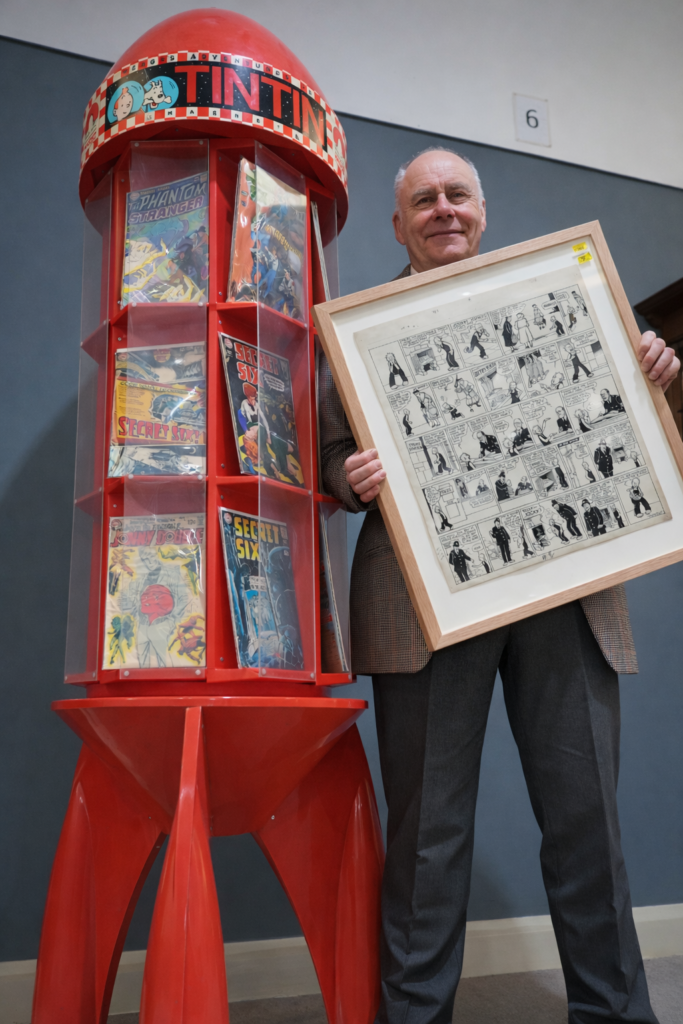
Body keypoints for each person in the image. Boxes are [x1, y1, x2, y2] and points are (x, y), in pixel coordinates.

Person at [320, 147, 679, 1024]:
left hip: (567, 592)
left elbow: (632, 436)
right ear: (398, 222)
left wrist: (656, 378)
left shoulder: (571, 305)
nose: (443, 210)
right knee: (426, 840)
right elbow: (325, 457)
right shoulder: (358, 334)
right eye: (424, 200)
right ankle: (415, 1017)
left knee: (586, 820)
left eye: (457, 196)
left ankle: (613, 1011)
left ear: (481, 210)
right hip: (424, 605)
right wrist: (347, 477)